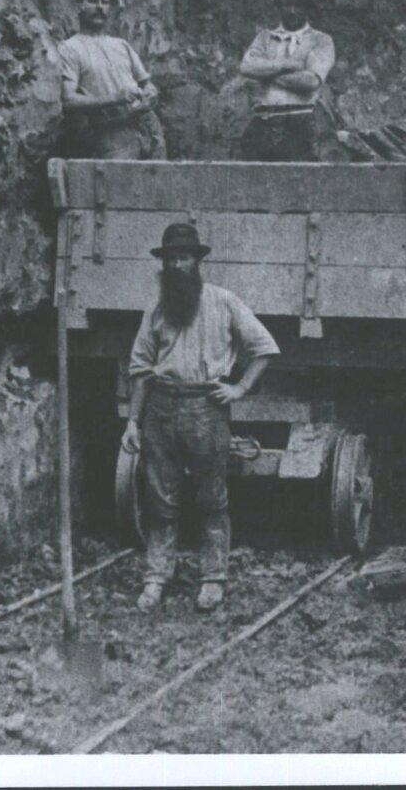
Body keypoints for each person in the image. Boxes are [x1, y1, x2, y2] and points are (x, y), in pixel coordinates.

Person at [123, 221, 280, 613]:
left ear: (197, 262)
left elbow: (265, 348)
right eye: (172, 259)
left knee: (211, 497)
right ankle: (157, 577)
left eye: (185, 258)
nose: (178, 266)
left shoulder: (224, 302)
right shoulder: (156, 310)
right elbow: (141, 369)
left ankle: (213, 579)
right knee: (159, 497)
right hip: (160, 409)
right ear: (164, 265)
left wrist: (239, 388)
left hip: (205, 409)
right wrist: (132, 422)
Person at [58, 0, 165, 160]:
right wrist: (116, 97)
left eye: (104, 2)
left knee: (158, 183)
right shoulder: (69, 48)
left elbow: (146, 83)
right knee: (119, 185)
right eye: (92, 1)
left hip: (149, 127)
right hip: (111, 132)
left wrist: (151, 93)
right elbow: (68, 100)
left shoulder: (121, 45)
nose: (100, 7)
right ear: (78, 6)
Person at [236, 0, 335, 162]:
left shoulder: (320, 40)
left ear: (307, 7)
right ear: (278, 5)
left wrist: (266, 73)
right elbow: (247, 67)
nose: (291, 11)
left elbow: (310, 81)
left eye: (298, 5)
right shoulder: (264, 37)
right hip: (262, 121)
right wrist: (286, 65)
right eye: (286, 4)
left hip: (301, 122)